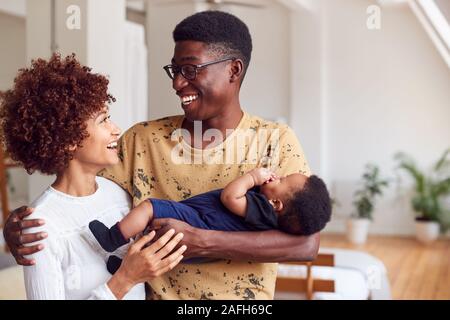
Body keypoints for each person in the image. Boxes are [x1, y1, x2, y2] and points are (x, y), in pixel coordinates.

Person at [4, 11, 320, 300]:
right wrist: (24, 226)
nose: (177, 82)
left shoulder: (274, 141)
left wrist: (203, 241)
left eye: (190, 69)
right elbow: (78, 198)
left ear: (233, 70)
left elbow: (306, 245)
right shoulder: (142, 140)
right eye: (175, 69)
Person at [0, 54, 186, 299]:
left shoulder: (118, 193)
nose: (116, 129)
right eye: (103, 120)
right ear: (69, 140)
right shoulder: (39, 227)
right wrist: (125, 279)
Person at [89, 168, 331, 259]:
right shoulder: (273, 218)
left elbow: (230, 197)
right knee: (152, 248)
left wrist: (252, 178)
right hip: (200, 229)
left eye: (283, 179)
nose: (278, 174)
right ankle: (120, 266)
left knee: (150, 208)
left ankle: (113, 237)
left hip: (199, 221)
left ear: (276, 204)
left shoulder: (261, 208)